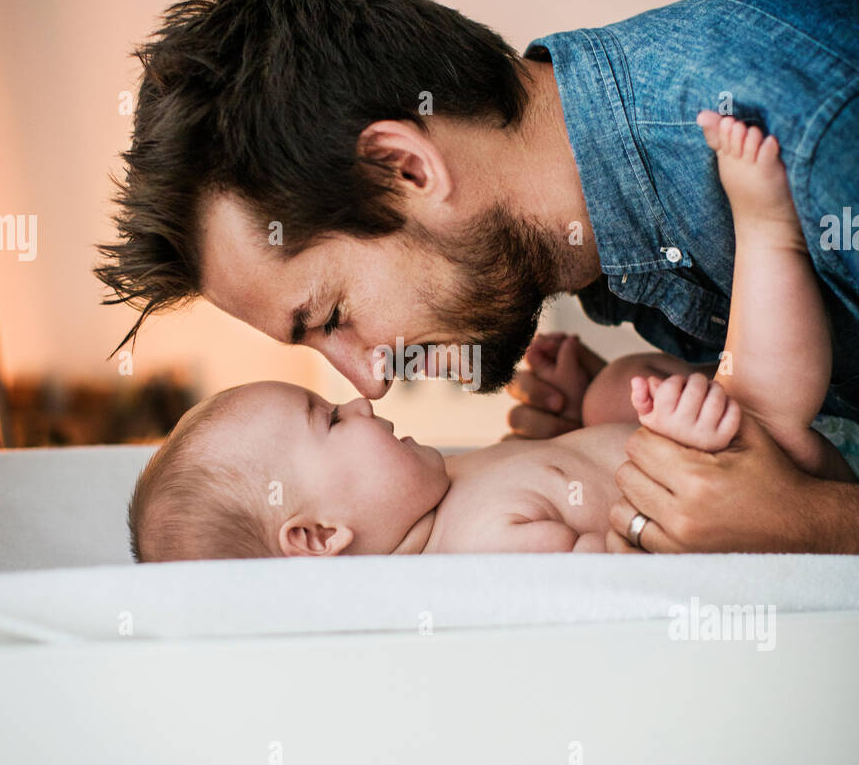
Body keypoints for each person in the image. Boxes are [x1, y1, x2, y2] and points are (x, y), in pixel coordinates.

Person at [96, 0, 859, 552]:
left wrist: (817, 525)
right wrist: (603, 419)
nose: (371, 382)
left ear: (404, 170)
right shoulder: (595, 248)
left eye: (333, 317)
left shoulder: (824, 143)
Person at [129, 117, 854, 563]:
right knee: (758, 397)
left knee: (613, 389)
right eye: (327, 420)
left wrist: (578, 421)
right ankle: (767, 234)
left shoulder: (447, 495)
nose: (361, 400)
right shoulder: (481, 550)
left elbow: (576, 482)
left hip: (692, 460)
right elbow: (633, 572)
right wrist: (685, 437)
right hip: (748, 476)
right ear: (318, 536)